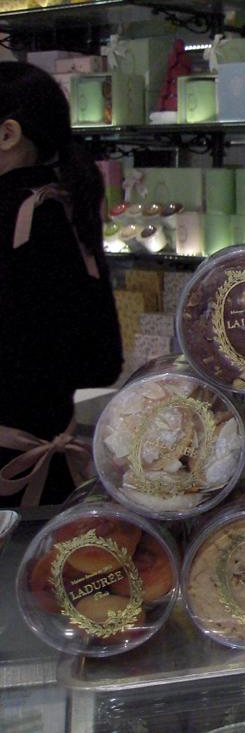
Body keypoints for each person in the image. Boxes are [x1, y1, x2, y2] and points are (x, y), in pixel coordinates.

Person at [0, 62, 122, 506]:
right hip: (60, 466)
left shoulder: (18, 216)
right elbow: (103, 362)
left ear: (8, 134)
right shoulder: (68, 207)